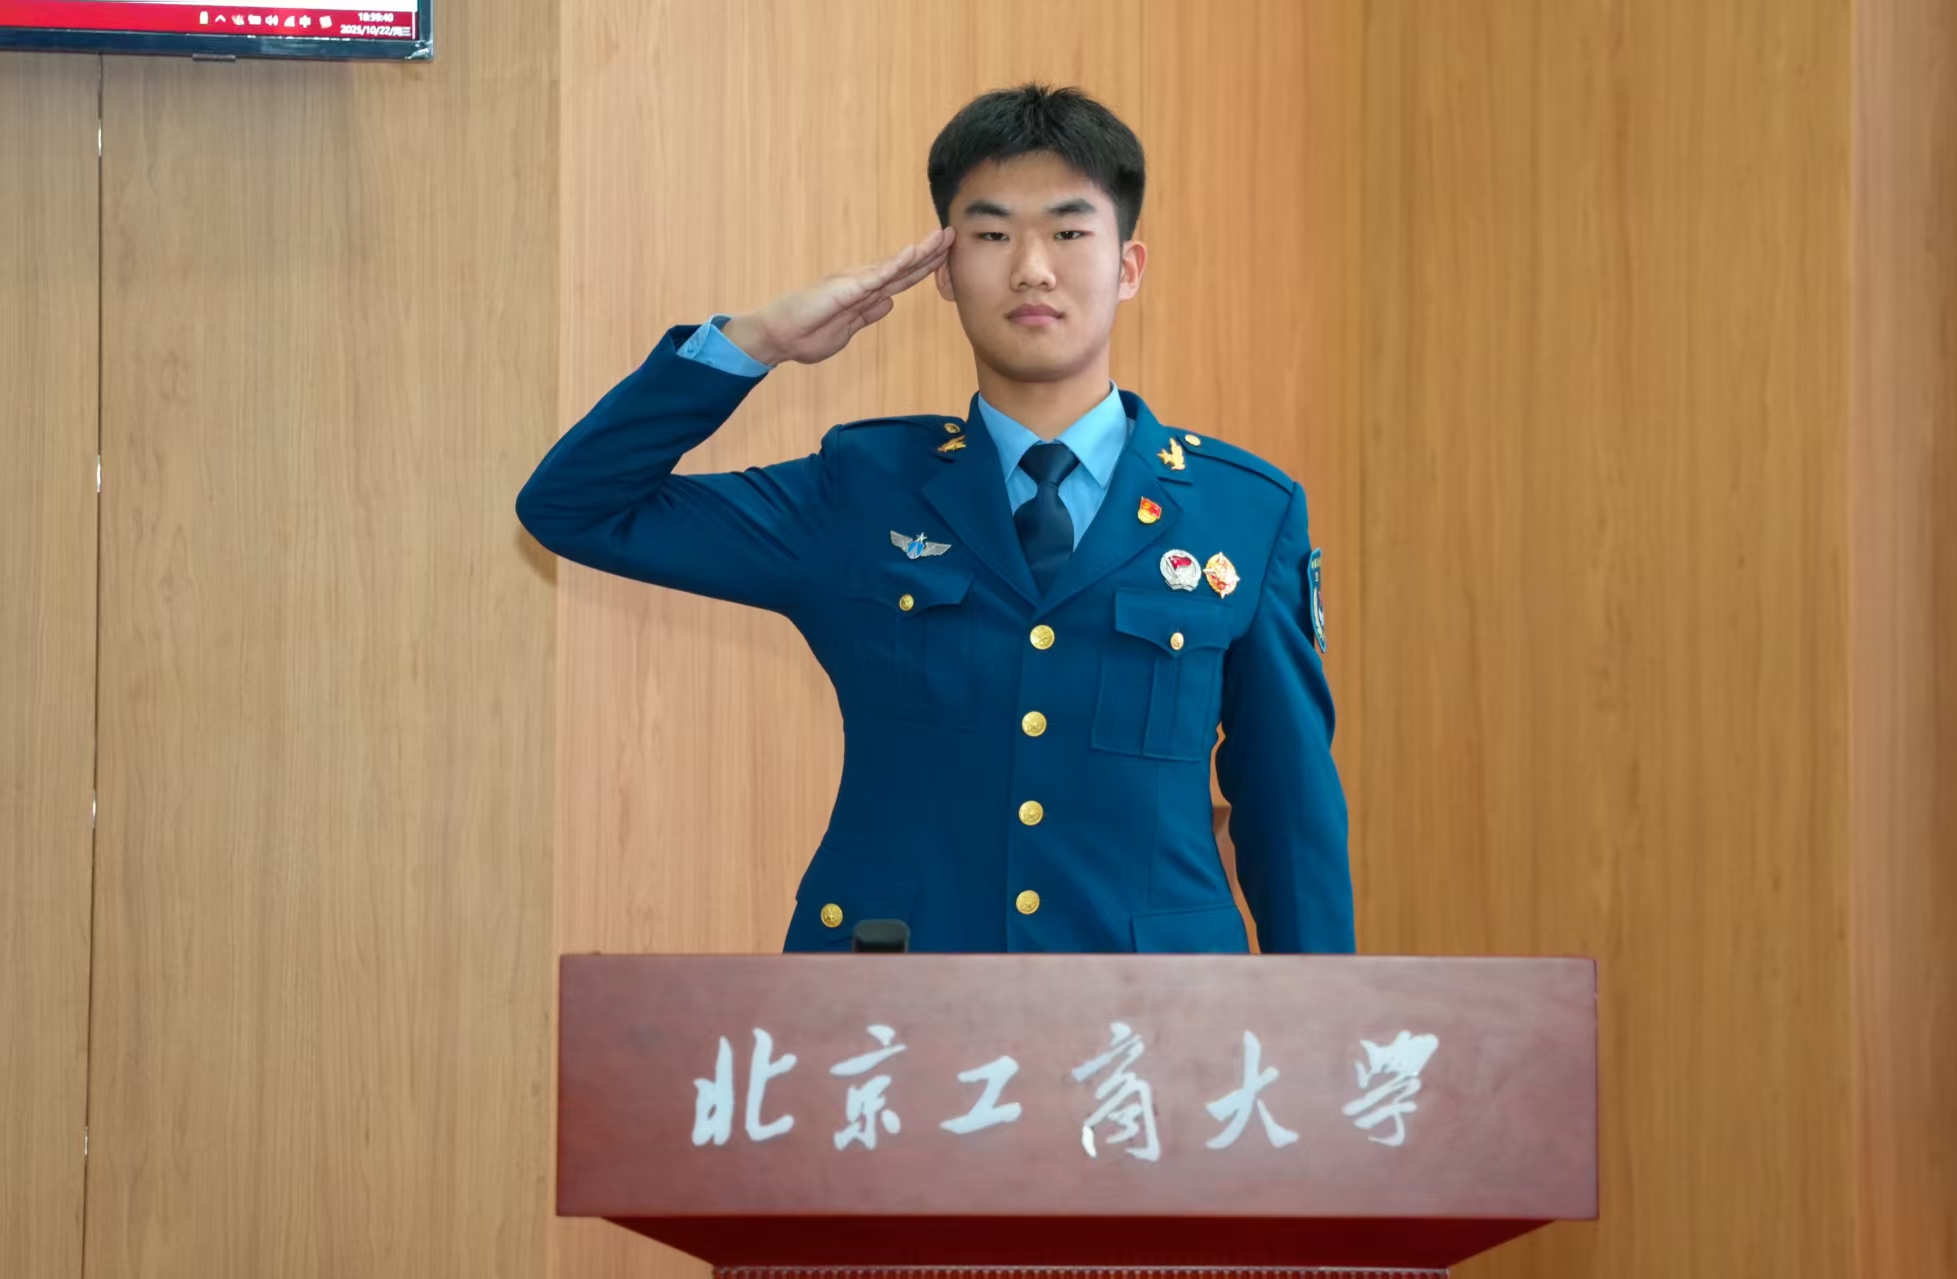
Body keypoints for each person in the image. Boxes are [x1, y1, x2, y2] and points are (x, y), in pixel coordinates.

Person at [517, 84, 1351, 955]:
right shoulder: (864, 490)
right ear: (945, 272)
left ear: (1128, 267)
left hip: (1154, 1009)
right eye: (991, 235)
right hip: (894, 995)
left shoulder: (1243, 512)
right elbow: (575, 505)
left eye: (1069, 233)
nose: (1032, 269)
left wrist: (1327, 1021)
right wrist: (757, 341)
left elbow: (1287, 807)